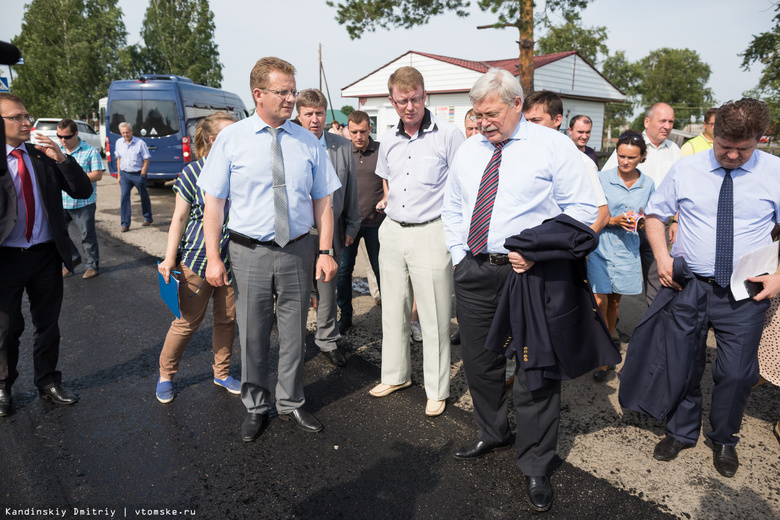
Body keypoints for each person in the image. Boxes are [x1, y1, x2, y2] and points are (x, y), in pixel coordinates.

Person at [442, 69, 600, 512]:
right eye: (476, 114)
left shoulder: (553, 147)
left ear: (516, 104)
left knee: (535, 371)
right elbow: (452, 205)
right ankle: (493, 433)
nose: (482, 122)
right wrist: (459, 253)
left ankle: (535, 462)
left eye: (490, 113)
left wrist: (541, 253)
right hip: (475, 271)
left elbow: (584, 212)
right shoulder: (471, 151)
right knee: (479, 361)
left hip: (531, 276)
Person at [620, 98, 780, 479]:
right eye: (724, 144)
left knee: (738, 373)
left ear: (761, 139)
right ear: (713, 133)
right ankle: (680, 431)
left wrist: (779, 277)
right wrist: (661, 257)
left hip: (746, 290)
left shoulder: (775, 171)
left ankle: (724, 437)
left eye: (744, 148)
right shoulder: (687, 168)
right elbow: (656, 215)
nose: (732, 154)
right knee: (684, 362)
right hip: (687, 284)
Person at [198, 57, 340, 442]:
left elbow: (323, 200)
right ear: (258, 94)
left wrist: (325, 250)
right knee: (254, 333)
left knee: (294, 332)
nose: (292, 99)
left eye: (294, 90)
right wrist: (213, 257)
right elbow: (214, 204)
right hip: (249, 252)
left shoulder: (308, 141)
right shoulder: (232, 139)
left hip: (298, 249)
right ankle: (256, 406)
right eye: (284, 92)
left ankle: (291, 401)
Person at [369, 66, 465, 417]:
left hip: (431, 231)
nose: (409, 106)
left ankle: (436, 389)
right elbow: (388, 181)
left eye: (415, 99)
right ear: (392, 101)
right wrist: (390, 211)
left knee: (435, 316)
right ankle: (396, 376)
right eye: (402, 100)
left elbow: (462, 188)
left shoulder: (450, 135)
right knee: (392, 310)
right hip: (393, 230)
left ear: (426, 97)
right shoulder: (389, 137)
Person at [0, 93, 92, 416]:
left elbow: (83, 191)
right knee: (6, 328)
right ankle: (3, 386)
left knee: (48, 324)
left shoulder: (42, 156)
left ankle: (48, 381)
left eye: (27, 116)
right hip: (6, 260)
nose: (27, 122)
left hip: (44, 256)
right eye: (18, 118)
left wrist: (62, 157)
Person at [156, 112, 240, 404]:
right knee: (187, 322)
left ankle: (222, 373)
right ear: (214, 139)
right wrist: (168, 260)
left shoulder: (240, 171)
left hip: (233, 261)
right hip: (196, 260)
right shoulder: (193, 172)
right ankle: (166, 376)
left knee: (227, 320)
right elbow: (179, 219)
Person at [296, 89, 360, 368]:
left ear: (326, 114)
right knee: (295, 289)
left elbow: (352, 191)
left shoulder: (342, 146)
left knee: (327, 288)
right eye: (308, 113)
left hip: (331, 229)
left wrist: (352, 224)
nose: (314, 119)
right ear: (299, 115)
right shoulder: (289, 142)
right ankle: (294, 343)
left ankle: (327, 340)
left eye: (319, 113)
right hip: (297, 229)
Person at [587, 131, 655, 380]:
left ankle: (605, 351)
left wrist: (642, 222)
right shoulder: (601, 178)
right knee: (598, 299)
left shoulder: (647, 184)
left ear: (642, 157)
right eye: (621, 155)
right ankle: (599, 348)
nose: (625, 161)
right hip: (601, 246)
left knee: (614, 302)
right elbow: (589, 211)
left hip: (627, 248)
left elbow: (651, 216)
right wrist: (611, 220)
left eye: (631, 157)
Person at [602, 103, 682, 305]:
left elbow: (681, 188)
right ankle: (609, 327)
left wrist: (676, 221)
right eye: (662, 120)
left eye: (670, 121)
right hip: (624, 223)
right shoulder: (629, 145)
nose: (667, 126)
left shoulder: (674, 150)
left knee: (658, 276)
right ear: (647, 122)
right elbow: (605, 182)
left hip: (658, 223)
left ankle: (654, 328)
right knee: (612, 276)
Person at [523, 91, 609, 233]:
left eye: (536, 120)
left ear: (557, 120)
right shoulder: (522, 156)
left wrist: (576, 246)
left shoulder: (580, 161)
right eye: (525, 121)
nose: (528, 126)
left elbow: (603, 214)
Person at [337, 110, 384, 335]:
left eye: (362, 131)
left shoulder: (382, 151)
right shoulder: (344, 152)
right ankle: (345, 316)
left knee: (382, 271)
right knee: (344, 271)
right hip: (350, 225)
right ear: (348, 129)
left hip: (377, 224)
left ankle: (390, 318)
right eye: (353, 131)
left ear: (370, 129)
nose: (358, 136)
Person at [57, 118, 104, 280]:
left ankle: (92, 265)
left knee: (87, 236)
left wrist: (74, 179)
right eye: (60, 136)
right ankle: (72, 260)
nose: (63, 140)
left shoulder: (90, 151)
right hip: (62, 201)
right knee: (57, 233)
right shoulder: (57, 152)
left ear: (76, 133)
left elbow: (98, 174)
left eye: (67, 137)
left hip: (84, 203)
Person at [114, 121, 152, 232]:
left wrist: (142, 175)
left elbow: (146, 160)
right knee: (124, 197)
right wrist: (119, 175)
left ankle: (147, 217)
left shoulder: (140, 143)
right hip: (125, 174)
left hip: (138, 174)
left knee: (143, 196)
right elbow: (118, 159)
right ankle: (125, 224)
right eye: (123, 133)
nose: (125, 135)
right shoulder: (119, 143)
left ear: (131, 131)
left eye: (127, 132)